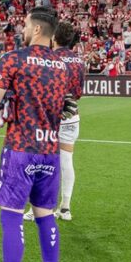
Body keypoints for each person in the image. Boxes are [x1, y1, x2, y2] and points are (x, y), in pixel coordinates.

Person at [0, 7, 69, 262]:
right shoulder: (62, 65)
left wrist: (0, 98)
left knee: (12, 215)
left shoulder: (14, 58)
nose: (23, 28)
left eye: (26, 24)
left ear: (38, 30)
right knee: (45, 215)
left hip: (20, 148)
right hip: (50, 151)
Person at [26, 21, 84, 221]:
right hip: (71, 116)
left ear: (54, 37)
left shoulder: (49, 58)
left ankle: (38, 209)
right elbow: (78, 93)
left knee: (40, 162)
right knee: (66, 161)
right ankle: (65, 208)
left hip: (48, 117)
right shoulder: (78, 60)